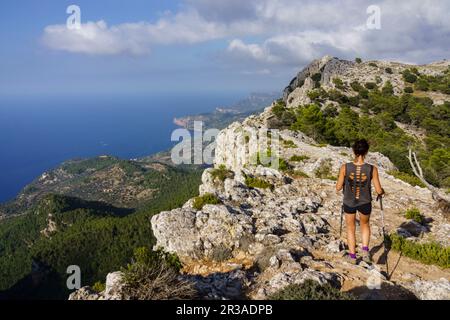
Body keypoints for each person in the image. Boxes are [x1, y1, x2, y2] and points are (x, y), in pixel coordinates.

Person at [336, 139, 384, 264]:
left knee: (350, 228)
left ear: (354, 151)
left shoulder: (344, 167)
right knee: (365, 225)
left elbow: (338, 187)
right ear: (366, 151)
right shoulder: (372, 169)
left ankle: (352, 257)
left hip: (349, 202)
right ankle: (365, 251)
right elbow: (378, 190)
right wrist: (382, 192)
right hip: (365, 202)